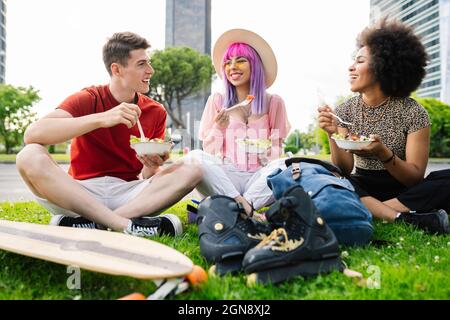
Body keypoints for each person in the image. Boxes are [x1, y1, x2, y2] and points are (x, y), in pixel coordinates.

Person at [16, 32, 202, 237]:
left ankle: (94, 224)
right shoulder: (89, 98)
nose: (151, 70)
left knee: (193, 168)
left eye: (149, 63)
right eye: (141, 64)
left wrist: (151, 165)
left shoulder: (155, 111)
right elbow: (33, 134)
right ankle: (122, 224)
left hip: (129, 194)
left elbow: (150, 175)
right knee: (28, 154)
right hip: (79, 195)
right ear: (117, 69)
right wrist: (103, 118)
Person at [318, 18, 449, 234]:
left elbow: (415, 177)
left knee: (445, 180)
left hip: (402, 189)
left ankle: (371, 210)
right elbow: (344, 168)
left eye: (359, 61)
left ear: (383, 67)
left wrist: (383, 153)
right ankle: (400, 215)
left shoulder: (414, 112)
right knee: (329, 175)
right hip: (363, 184)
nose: (351, 67)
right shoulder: (344, 111)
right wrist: (332, 134)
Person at [187, 29, 291, 216]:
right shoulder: (217, 100)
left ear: (255, 65)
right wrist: (219, 127)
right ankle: (247, 210)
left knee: (285, 165)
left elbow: (277, 146)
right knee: (196, 157)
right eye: (227, 62)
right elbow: (209, 150)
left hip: (259, 178)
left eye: (241, 60)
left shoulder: (274, 102)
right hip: (227, 175)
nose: (232, 67)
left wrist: (266, 156)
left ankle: (237, 209)